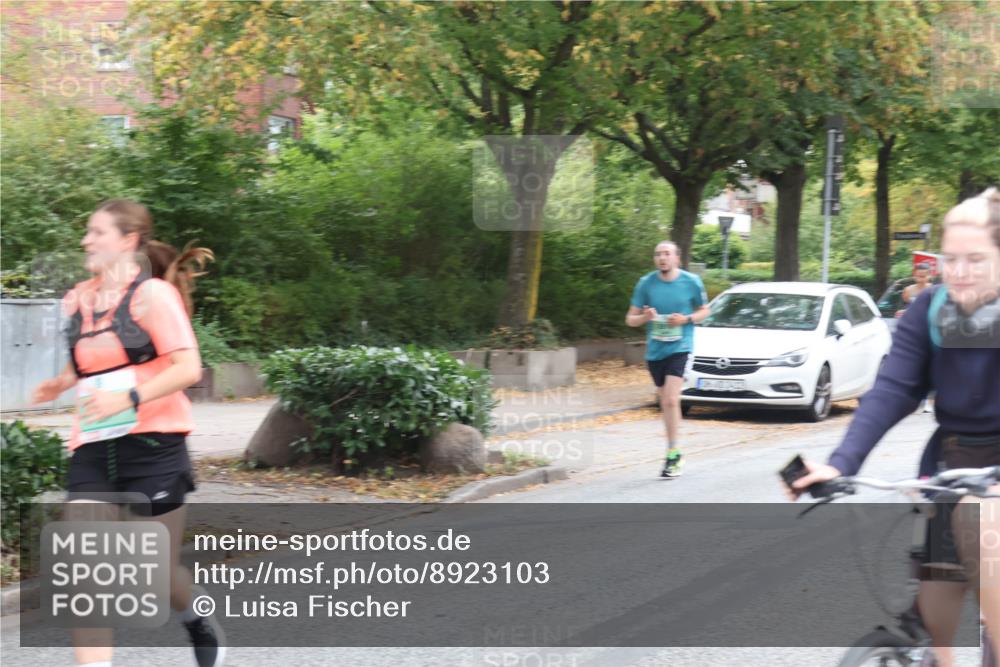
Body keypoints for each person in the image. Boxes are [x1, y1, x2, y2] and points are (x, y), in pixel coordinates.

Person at [790, 188, 1000, 667]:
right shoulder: (930, 311)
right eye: (950, 259)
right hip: (952, 467)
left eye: (976, 259)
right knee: (934, 611)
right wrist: (840, 464)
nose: (959, 272)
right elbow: (892, 390)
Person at [31, 199, 224, 667]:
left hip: (155, 444)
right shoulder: (78, 298)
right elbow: (97, 360)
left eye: (96, 232)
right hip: (94, 445)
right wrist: (64, 380)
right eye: (87, 232)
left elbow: (187, 368)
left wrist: (130, 398)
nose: (86, 241)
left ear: (128, 241)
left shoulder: (154, 296)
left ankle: (197, 615)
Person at [625, 240, 710, 478]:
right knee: (665, 401)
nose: (662, 258)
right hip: (655, 351)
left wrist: (686, 319)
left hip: (681, 347)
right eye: (658, 254)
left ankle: (672, 454)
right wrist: (644, 317)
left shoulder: (691, 282)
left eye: (667, 254)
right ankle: (675, 450)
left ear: (677, 259)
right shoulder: (646, 284)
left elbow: (705, 311)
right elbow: (629, 320)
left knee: (672, 399)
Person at [899, 263, 936, 413]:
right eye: (919, 276)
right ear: (914, 275)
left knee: (931, 366)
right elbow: (906, 308)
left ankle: (929, 401)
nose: (921, 279)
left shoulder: (933, 290)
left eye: (924, 276)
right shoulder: (908, 291)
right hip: (914, 332)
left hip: (930, 331)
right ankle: (914, 399)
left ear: (929, 275)